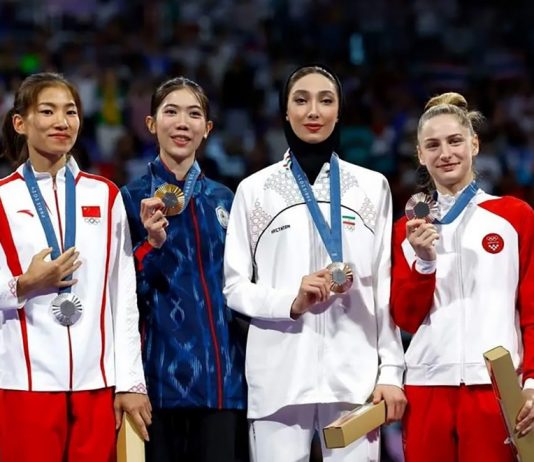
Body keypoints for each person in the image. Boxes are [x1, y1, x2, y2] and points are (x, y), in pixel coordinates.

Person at [223, 64, 406, 461]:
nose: (313, 111)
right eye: (301, 100)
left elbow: (383, 287)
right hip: (279, 380)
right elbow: (234, 288)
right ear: (285, 111)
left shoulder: (372, 187)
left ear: (339, 112)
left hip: (355, 381)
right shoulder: (254, 190)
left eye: (325, 101)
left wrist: (391, 371)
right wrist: (290, 301)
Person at [0, 72, 151, 462]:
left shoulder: (105, 195)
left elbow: (123, 297)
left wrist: (130, 382)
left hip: (96, 386)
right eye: (47, 111)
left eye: (70, 111)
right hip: (23, 384)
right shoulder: (2, 198)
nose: (61, 122)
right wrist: (24, 285)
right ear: (20, 123)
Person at [390, 92, 534, 461]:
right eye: (433, 145)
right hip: (425, 385)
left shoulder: (514, 216)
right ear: (420, 155)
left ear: (474, 144)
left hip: (496, 387)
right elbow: (405, 318)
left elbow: (532, 311)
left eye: (455, 141)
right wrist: (424, 263)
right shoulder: (406, 229)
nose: (446, 153)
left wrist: (532, 382)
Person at [121, 77, 247, 462]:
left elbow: (240, 288)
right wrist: (150, 245)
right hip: (156, 383)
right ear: (151, 123)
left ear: (206, 129)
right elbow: (121, 295)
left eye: (193, 114)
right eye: (171, 112)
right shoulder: (128, 199)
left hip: (222, 382)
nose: (182, 123)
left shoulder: (226, 199)